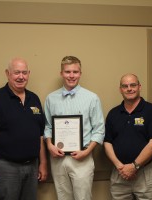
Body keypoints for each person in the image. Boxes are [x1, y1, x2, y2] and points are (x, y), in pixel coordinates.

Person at [0, 57, 47, 200]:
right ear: (7, 73)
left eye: (24, 73)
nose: (21, 77)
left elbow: (39, 135)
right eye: (16, 73)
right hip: (5, 168)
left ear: (28, 74)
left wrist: (43, 163)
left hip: (32, 167)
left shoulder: (34, 99)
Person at [44, 56, 105, 200]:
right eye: (67, 72)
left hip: (82, 157)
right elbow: (47, 126)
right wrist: (49, 145)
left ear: (80, 73)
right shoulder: (51, 98)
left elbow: (99, 129)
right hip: (57, 158)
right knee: (63, 197)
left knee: (83, 198)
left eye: (75, 72)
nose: (71, 76)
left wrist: (88, 151)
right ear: (61, 73)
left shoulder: (92, 98)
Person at [104, 73, 152, 200]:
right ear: (120, 89)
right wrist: (120, 166)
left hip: (146, 173)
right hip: (119, 173)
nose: (129, 88)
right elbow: (107, 142)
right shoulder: (113, 113)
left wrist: (134, 166)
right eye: (125, 86)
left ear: (139, 87)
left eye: (133, 85)